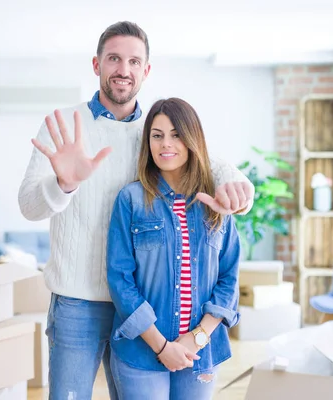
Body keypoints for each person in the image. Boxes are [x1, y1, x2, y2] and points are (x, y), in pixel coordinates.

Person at [18, 21, 253, 400]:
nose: (123, 69)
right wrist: (65, 183)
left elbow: (215, 166)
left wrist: (243, 193)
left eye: (133, 61)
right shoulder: (64, 126)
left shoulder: (157, 130)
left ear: (146, 71)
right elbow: (29, 206)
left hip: (149, 307)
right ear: (96, 65)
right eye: (113, 58)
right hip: (79, 304)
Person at [106, 97, 241, 399]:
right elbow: (120, 280)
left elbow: (229, 276)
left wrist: (198, 337)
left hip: (200, 353)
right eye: (157, 135)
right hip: (141, 353)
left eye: (176, 134)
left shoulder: (216, 202)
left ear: (192, 139)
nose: (166, 144)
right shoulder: (131, 199)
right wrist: (163, 347)